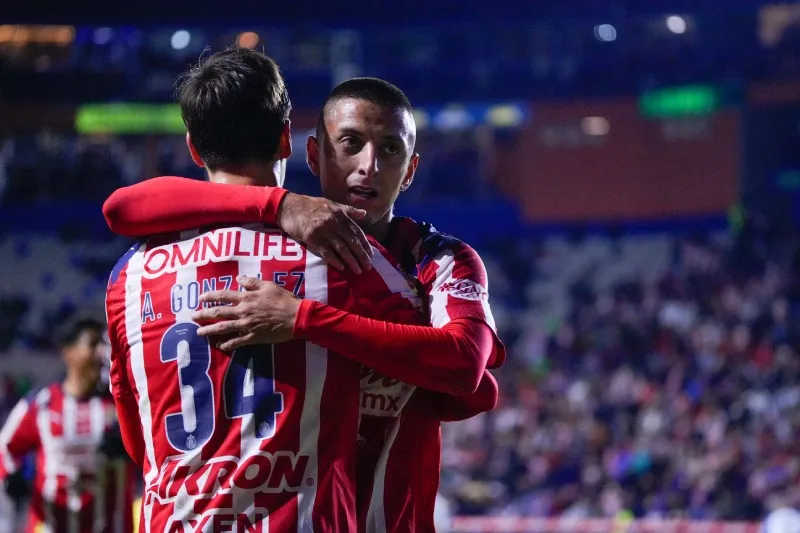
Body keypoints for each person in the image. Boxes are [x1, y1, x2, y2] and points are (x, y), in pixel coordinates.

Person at [103, 77, 504, 532]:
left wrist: (304, 318)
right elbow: (123, 207)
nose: (368, 166)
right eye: (350, 143)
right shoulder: (299, 255)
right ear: (311, 154)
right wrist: (279, 205)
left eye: (390, 150)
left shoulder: (438, 259)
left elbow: (467, 371)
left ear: (410, 170)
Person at [0, 317, 136, 533]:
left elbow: (154, 447)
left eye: (104, 345)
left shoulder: (123, 404)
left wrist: (131, 447)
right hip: (51, 525)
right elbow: (5, 449)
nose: (101, 353)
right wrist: (12, 479)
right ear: (68, 352)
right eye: (92, 344)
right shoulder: (41, 404)